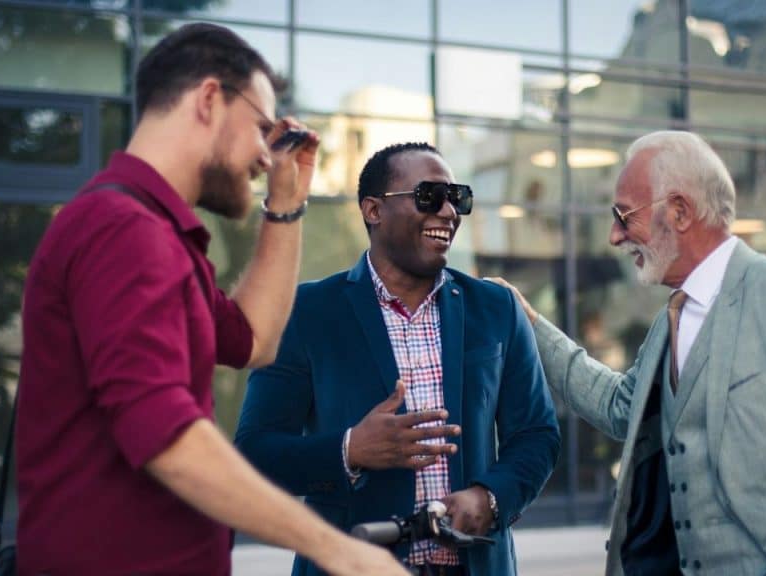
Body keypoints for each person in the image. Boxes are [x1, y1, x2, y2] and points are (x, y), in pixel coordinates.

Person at [16, 23, 406, 576]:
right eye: (262, 129)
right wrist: (337, 548)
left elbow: (255, 340)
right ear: (208, 100)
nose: (264, 156)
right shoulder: (123, 229)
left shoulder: (159, 235)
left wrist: (286, 203)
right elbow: (164, 432)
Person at [491, 131, 766, 575]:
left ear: (680, 212)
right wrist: (529, 322)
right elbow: (620, 407)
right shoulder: (672, 319)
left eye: (624, 215)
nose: (614, 236)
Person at [235, 142, 561, 576]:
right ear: (374, 210)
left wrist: (490, 497)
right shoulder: (306, 313)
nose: (448, 212)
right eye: (430, 195)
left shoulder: (497, 308)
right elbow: (255, 453)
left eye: (457, 198)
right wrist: (350, 449)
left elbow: (537, 434)